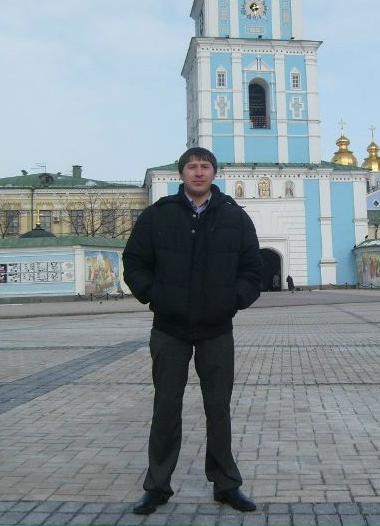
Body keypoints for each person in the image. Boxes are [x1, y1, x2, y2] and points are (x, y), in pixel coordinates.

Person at [123, 147, 263, 514]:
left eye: (204, 166)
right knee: (166, 407)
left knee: (218, 408)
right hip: (169, 328)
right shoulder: (158, 215)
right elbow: (134, 261)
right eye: (191, 167)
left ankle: (226, 484)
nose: (198, 172)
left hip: (217, 328)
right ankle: (157, 487)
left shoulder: (235, 217)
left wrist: (232, 300)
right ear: (181, 173)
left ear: (214, 173)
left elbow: (253, 268)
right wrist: (155, 295)